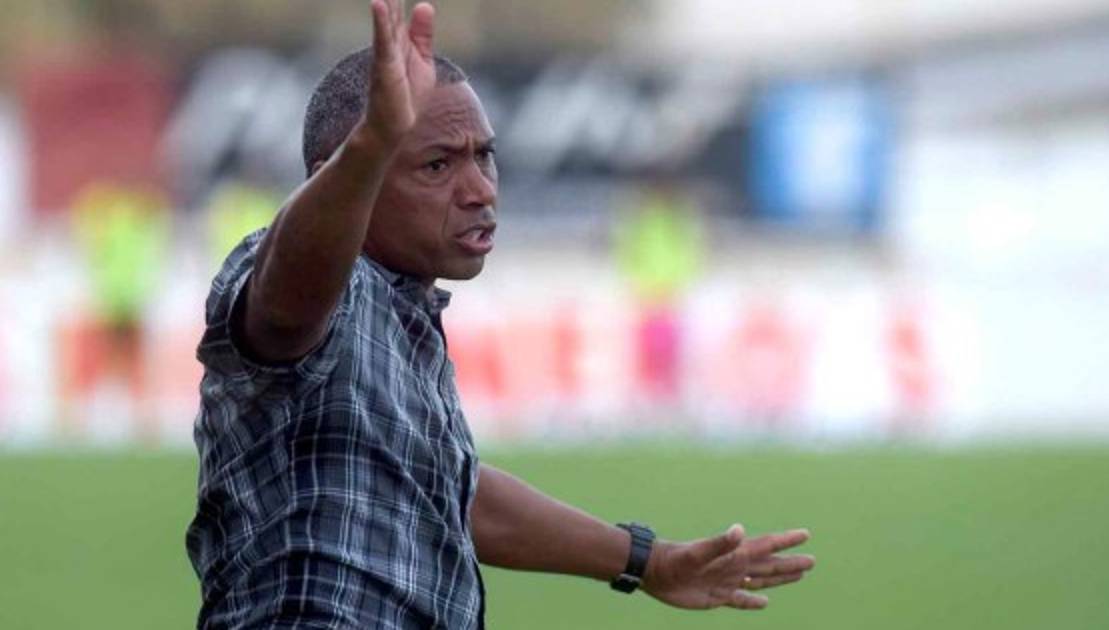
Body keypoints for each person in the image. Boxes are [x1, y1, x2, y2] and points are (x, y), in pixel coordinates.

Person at [185, 2, 815, 628]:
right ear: (341, 176)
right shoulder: (307, 282)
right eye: (437, 165)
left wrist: (647, 562)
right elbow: (286, 297)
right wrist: (371, 145)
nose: (480, 189)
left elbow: (456, 493)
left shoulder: (405, 314)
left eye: (483, 156)